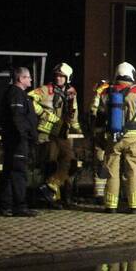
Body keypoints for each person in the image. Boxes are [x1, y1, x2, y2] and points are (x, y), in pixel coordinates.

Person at [101, 62, 136, 214]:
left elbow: (98, 115)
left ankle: (111, 205)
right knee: (133, 171)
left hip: (113, 137)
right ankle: (135, 205)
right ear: (132, 74)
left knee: (112, 172)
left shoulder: (107, 92)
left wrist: (100, 133)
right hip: (133, 138)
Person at [32, 63, 82, 208]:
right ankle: (53, 199)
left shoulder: (71, 93)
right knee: (51, 164)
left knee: (69, 163)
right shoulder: (45, 90)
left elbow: (74, 114)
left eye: (62, 76)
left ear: (68, 78)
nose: (59, 78)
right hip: (47, 133)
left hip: (63, 133)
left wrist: (78, 130)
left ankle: (54, 190)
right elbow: (29, 98)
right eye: (57, 76)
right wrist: (42, 112)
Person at [0, 66, 39, 217]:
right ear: (21, 79)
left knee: (10, 172)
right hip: (17, 141)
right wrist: (25, 136)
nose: (31, 80)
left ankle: (6, 206)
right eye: (28, 77)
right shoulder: (16, 95)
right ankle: (19, 205)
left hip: (15, 140)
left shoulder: (18, 94)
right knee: (18, 173)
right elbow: (18, 118)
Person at [87, 78, 110, 203]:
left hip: (101, 135)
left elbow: (92, 111)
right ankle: (106, 193)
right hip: (107, 135)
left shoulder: (100, 95)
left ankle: (100, 194)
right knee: (108, 163)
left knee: (101, 164)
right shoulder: (111, 94)